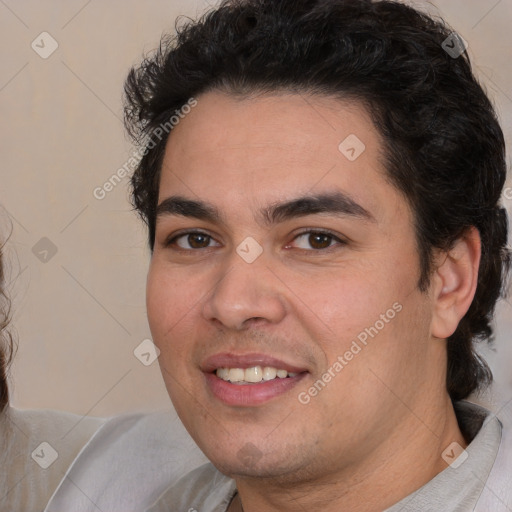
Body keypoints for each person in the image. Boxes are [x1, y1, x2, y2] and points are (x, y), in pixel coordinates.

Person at [121, 0, 512, 510]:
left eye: (316, 239)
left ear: (450, 280)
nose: (234, 303)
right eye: (195, 238)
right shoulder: (84, 485)